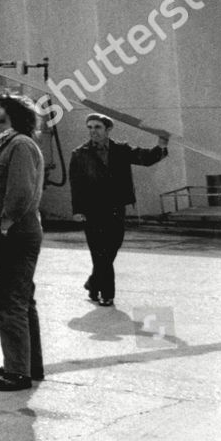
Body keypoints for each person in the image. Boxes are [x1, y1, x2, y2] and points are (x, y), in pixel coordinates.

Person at [68, 113, 168, 308]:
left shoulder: (121, 149)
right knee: (100, 253)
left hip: (115, 208)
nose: (92, 131)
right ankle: (107, 294)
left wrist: (161, 145)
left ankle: (93, 282)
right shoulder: (79, 153)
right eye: (89, 127)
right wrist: (77, 210)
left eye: (97, 127)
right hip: (92, 210)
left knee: (111, 249)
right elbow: (76, 184)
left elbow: (145, 158)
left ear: (108, 130)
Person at [0, 94, 45, 392]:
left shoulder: (19, 144)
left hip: (15, 232)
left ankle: (18, 372)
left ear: (9, 115)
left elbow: (20, 191)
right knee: (21, 299)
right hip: (12, 231)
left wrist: (6, 222)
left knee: (9, 302)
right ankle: (26, 364)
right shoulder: (7, 144)